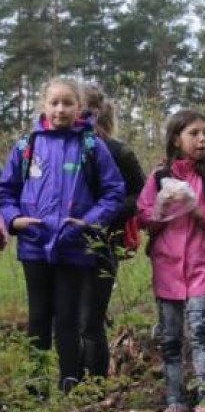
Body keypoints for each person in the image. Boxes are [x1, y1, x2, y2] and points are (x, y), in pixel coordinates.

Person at [0, 77, 126, 392]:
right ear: (44, 105)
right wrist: (14, 220)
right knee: (39, 316)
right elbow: (6, 191)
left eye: (67, 103)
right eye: (54, 102)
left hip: (73, 246)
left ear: (79, 107)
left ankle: (69, 384)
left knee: (68, 319)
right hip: (34, 246)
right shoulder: (26, 145)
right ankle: (35, 387)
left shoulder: (92, 146)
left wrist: (88, 222)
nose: (60, 109)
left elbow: (114, 192)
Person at [137, 110, 205, 412]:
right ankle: (175, 401)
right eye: (194, 133)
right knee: (169, 339)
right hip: (166, 268)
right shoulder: (157, 178)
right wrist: (162, 210)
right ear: (175, 139)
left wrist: (196, 209)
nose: (202, 139)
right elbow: (142, 218)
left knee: (200, 333)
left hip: (200, 268)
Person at [80, 84, 146, 378]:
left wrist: (105, 215)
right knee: (65, 317)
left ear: (95, 113)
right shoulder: (52, 148)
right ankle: (71, 379)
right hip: (60, 244)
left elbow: (141, 195)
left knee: (90, 318)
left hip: (105, 244)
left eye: (80, 108)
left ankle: (94, 385)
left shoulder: (119, 152)